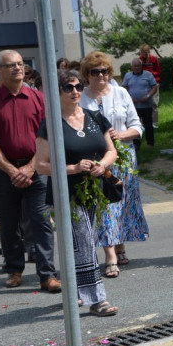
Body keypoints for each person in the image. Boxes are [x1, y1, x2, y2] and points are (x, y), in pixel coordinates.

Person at [34, 70, 119, 316]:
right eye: (68, 87)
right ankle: (97, 299)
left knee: (85, 243)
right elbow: (41, 165)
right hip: (65, 193)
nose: (75, 91)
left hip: (94, 191)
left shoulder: (95, 117)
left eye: (78, 86)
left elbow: (111, 151)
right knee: (82, 241)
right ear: (57, 92)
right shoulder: (50, 125)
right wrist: (73, 168)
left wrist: (102, 165)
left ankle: (75, 291)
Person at [0, 50, 59, 292]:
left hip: (37, 168)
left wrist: (30, 167)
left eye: (20, 64)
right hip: (3, 170)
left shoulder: (38, 98)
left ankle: (47, 274)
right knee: (8, 222)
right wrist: (12, 171)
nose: (17, 68)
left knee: (41, 222)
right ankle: (14, 269)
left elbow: (49, 136)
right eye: (11, 65)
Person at [80, 52, 148, 275]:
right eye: (95, 71)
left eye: (105, 71)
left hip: (123, 157)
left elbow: (137, 127)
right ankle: (110, 256)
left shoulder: (121, 93)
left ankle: (120, 245)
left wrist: (120, 135)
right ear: (86, 74)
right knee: (105, 206)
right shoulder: (81, 98)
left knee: (121, 202)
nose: (101, 75)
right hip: (96, 159)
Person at [121, 58, 157, 149]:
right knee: (134, 125)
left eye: (139, 66)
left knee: (148, 125)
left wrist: (148, 96)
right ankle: (136, 144)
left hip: (146, 105)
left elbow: (154, 87)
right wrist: (129, 98)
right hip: (133, 106)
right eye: (135, 66)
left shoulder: (148, 75)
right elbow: (124, 88)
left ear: (142, 66)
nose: (137, 67)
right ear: (132, 67)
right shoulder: (127, 76)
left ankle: (150, 144)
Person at [138, 45, 161, 128]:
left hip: (154, 83)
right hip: (143, 84)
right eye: (142, 53)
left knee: (154, 102)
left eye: (145, 53)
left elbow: (158, 70)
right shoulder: (139, 60)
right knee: (143, 103)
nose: (144, 55)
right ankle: (142, 123)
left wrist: (151, 75)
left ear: (148, 52)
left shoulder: (154, 59)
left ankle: (153, 122)